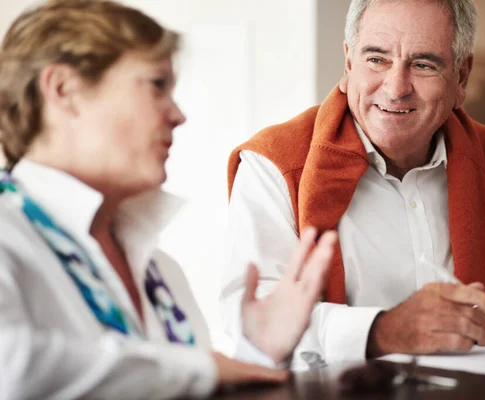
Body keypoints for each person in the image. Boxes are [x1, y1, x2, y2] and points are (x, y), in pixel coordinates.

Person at [222, 0, 485, 368]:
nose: (396, 87)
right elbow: (254, 319)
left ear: (461, 78)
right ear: (349, 62)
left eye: (422, 64)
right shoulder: (273, 165)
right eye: (376, 59)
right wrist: (383, 331)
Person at [0, 1, 338, 398]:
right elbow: (12, 371)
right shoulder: (9, 237)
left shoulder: (159, 269)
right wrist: (203, 368)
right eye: (157, 85)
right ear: (64, 89)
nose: (178, 115)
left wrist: (258, 353)